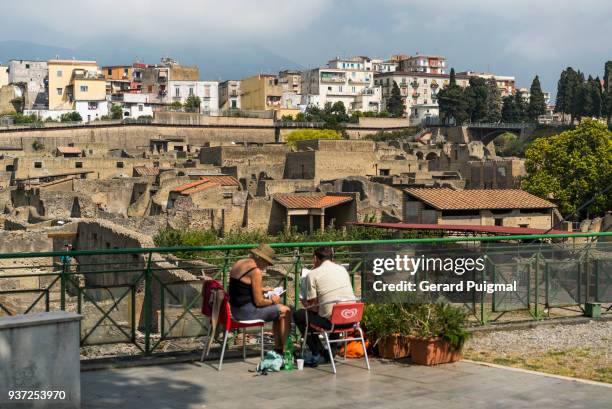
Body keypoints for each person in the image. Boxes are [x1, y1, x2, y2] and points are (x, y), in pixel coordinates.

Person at [293, 246, 356, 367]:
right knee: (334, 310)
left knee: (299, 315)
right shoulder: (342, 269)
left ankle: (318, 351)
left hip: (332, 322)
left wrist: (305, 303)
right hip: (352, 319)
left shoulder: (313, 274)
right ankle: (331, 352)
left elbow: (314, 307)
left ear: (315, 258)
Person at [229, 243, 291, 353]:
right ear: (260, 258)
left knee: (278, 313)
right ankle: (286, 351)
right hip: (246, 313)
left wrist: (262, 289)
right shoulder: (255, 271)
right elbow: (259, 302)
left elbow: (241, 287)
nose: (266, 266)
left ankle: (278, 349)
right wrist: (273, 300)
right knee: (285, 311)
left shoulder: (239, 263)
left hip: (235, 310)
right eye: (267, 262)